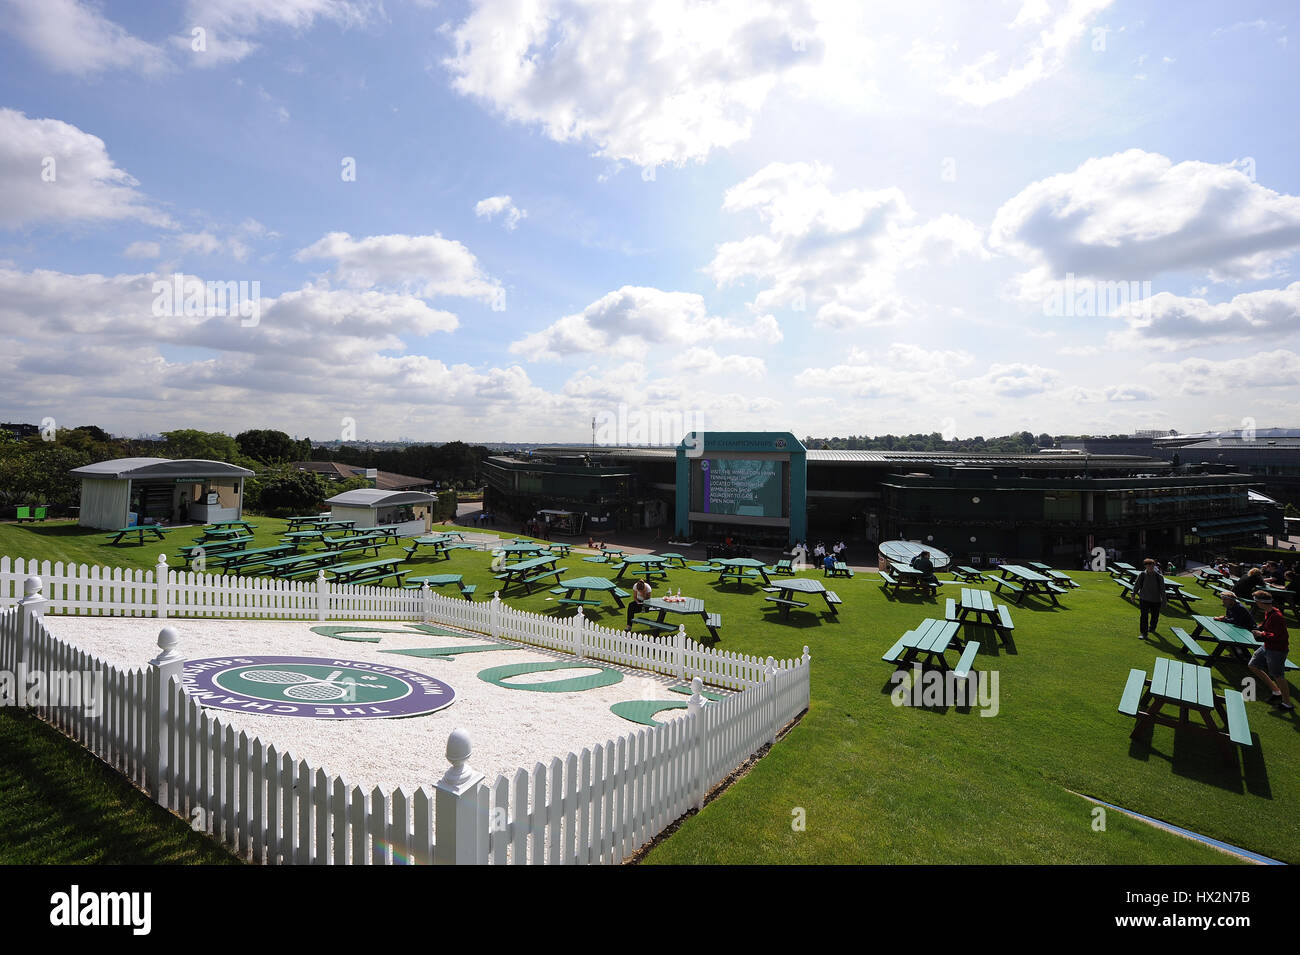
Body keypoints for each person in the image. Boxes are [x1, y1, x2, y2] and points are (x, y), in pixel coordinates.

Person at [1249, 592, 1293, 711]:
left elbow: (1279, 636)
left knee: (1278, 675)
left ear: (1262, 602)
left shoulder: (1277, 616)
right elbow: (1267, 626)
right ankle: (1276, 691)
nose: (1256, 603)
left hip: (1277, 650)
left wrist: (1261, 633)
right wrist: (1260, 627)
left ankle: (1287, 703)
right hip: (1267, 646)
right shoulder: (1270, 612)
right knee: (1253, 665)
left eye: (1256, 601)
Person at [1131, 557, 1166, 640]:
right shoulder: (1142, 575)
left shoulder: (1159, 577)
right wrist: (1133, 595)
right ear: (1145, 566)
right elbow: (1137, 586)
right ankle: (1143, 633)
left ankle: (1152, 628)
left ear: (1154, 566)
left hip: (1156, 600)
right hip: (1144, 599)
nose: (1150, 567)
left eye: (1152, 565)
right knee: (1144, 616)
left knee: (1155, 616)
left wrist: (1164, 601)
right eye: (1148, 566)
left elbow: (1162, 590)